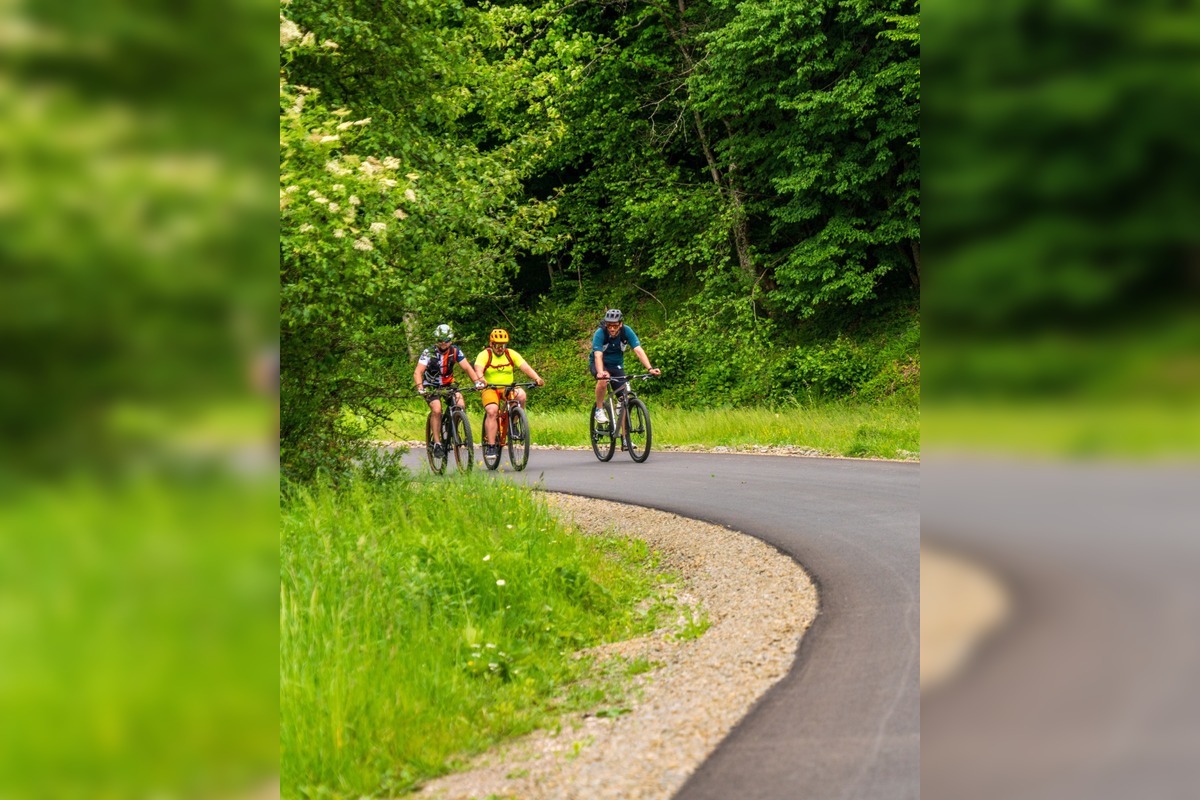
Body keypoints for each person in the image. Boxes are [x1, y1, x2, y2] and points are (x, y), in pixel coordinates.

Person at [413, 324, 484, 457]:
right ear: (436, 340)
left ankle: (453, 428)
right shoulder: (428, 352)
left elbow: (467, 368)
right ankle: (437, 443)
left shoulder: (455, 351)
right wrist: (420, 387)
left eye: (446, 340)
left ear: (451, 340)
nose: (443, 343)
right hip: (431, 385)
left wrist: (477, 381)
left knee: (460, 404)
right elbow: (418, 372)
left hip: (448, 384)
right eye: (440, 340)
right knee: (437, 409)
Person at [474, 328, 544, 456]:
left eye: (503, 345)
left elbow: (525, 367)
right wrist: (481, 379)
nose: (500, 349)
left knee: (521, 395)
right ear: (491, 344)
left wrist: (537, 378)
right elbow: (478, 369)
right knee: (492, 411)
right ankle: (491, 445)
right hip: (490, 388)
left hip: (508, 387)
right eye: (497, 345)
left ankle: (514, 423)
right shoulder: (485, 355)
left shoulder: (511, 354)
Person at [591, 308, 660, 424]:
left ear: (620, 324)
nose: (612, 328)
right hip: (600, 363)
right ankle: (599, 409)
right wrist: (600, 372)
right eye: (609, 325)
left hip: (616, 365)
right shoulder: (600, 333)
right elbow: (598, 355)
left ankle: (624, 434)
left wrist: (650, 369)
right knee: (603, 380)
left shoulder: (626, 331)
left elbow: (638, 350)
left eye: (615, 325)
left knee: (624, 399)